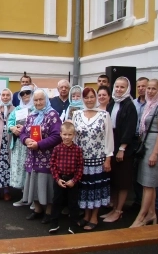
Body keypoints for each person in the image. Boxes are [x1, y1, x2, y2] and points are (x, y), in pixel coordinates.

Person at [72, 87, 114, 230]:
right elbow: (72, 136)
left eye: (91, 97)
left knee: (95, 188)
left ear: (95, 98)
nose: (89, 100)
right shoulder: (76, 114)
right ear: (82, 99)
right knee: (84, 188)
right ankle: (86, 215)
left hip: (98, 159)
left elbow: (109, 137)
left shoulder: (104, 115)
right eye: (86, 97)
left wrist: (108, 158)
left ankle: (94, 217)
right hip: (81, 160)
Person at [130, 79, 158, 227]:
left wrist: (155, 153)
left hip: (154, 145)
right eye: (149, 89)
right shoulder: (149, 105)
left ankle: (142, 217)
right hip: (146, 144)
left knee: (149, 184)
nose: (150, 91)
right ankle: (151, 213)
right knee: (146, 182)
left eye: (154, 89)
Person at [20, 89, 62, 224]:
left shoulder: (53, 115)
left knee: (47, 185)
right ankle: (37, 209)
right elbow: (23, 132)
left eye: (41, 99)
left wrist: (39, 145)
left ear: (46, 100)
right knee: (34, 183)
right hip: (32, 158)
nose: (38, 102)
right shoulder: (31, 115)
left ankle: (49, 211)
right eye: (36, 100)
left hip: (47, 158)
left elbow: (57, 136)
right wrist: (26, 140)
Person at [103, 77, 137, 223]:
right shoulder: (112, 103)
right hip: (112, 143)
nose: (118, 89)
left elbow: (129, 129)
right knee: (115, 179)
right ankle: (114, 208)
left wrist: (122, 148)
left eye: (122, 87)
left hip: (123, 147)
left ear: (127, 88)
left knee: (122, 181)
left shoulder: (130, 105)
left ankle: (118, 211)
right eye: (116, 86)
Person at [48, 122, 83, 234]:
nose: (67, 137)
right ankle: (54, 223)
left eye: (69, 134)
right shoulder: (57, 148)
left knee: (73, 203)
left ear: (74, 135)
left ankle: (73, 225)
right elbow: (52, 164)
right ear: (60, 134)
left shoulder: (78, 150)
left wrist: (74, 180)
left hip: (72, 180)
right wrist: (57, 179)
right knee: (57, 201)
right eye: (65, 134)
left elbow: (80, 167)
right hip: (60, 179)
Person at [8, 85, 34, 206]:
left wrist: (26, 129)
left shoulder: (36, 108)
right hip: (19, 144)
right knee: (21, 169)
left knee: (31, 170)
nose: (25, 95)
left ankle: (34, 199)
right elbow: (9, 122)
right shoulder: (17, 109)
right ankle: (24, 197)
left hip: (31, 144)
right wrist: (13, 128)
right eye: (22, 93)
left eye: (27, 92)